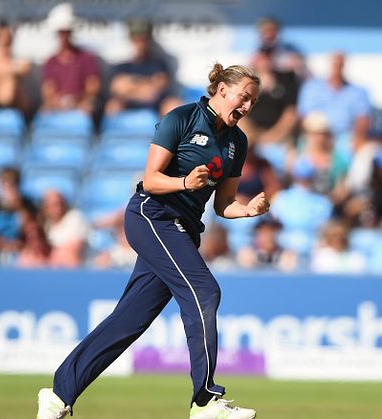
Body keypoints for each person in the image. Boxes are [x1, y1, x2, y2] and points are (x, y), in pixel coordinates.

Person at [37, 63, 267, 419]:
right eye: (244, 97)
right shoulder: (182, 119)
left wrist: (248, 210)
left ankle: (58, 394)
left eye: (253, 101)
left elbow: (223, 205)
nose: (248, 107)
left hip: (183, 231)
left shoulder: (237, 141)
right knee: (205, 291)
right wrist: (184, 184)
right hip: (151, 215)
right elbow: (151, 180)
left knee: (130, 320)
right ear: (221, 90)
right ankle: (205, 401)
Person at [105, 19, 178, 116]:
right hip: (128, 103)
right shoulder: (123, 66)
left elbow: (157, 88)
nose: (141, 44)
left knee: (173, 106)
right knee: (112, 106)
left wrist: (131, 84)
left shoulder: (158, 64)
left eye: (144, 40)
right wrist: (144, 85)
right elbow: (118, 88)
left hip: (155, 105)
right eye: (137, 40)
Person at [41, 3, 101, 113]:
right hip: (58, 104)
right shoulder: (51, 62)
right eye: (61, 32)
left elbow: (93, 86)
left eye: (67, 32)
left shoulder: (86, 58)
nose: (64, 36)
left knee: (88, 108)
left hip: (81, 104)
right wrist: (59, 102)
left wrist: (78, 100)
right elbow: (48, 90)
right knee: (44, 111)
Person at [297, 52, 371, 140]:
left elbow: (363, 119)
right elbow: (303, 116)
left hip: (346, 140)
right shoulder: (311, 88)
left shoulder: (357, 92)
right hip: (316, 138)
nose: (337, 67)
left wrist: (355, 140)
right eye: (334, 64)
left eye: (340, 64)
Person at [239, 48, 299, 145]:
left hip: (279, 136)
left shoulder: (287, 79)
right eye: (261, 56)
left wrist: (272, 136)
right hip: (249, 135)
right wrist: (253, 136)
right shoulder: (244, 80)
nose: (264, 60)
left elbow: (291, 113)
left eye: (268, 56)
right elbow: (238, 110)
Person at [287, 112, 350, 195]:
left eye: (321, 133)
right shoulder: (295, 155)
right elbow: (289, 181)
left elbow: (341, 189)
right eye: (313, 133)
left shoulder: (338, 160)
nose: (317, 137)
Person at [0, 167, 36, 256]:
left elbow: (32, 230)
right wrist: (4, 244)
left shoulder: (27, 204)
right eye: (5, 182)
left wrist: (18, 206)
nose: (8, 186)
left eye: (12, 183)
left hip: (22, 248)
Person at [0, 21, 31, 113]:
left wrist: (7, 71)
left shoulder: (20, 62)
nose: (5, 40)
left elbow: (24, 70)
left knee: (9, 79)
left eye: (8, 37)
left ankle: (3, 107)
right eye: (1, 36)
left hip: (16, 104)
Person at [41, 190, 89, 268]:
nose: (58, 207)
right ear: (45, 208)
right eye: (53, 204)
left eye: (60, 203)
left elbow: (76, 247)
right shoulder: (45, 226)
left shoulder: (75, 217)